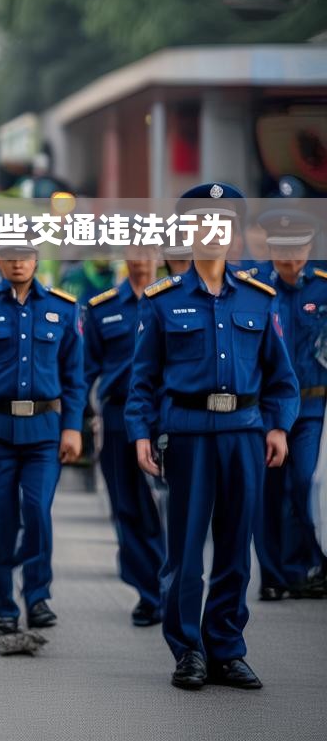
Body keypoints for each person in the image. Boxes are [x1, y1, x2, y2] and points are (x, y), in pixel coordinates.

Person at [125, 183, 299, 691]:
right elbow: (144, 379)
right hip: (188, 436)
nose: (211, 231)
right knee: (183, 550)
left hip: (244, 435)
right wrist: (140, 434)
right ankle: (188, 651)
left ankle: (225, 648)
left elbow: (281, 378)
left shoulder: (258, 299)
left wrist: (279, 427)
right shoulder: (162, 301)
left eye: (221, 223)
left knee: (233, 547)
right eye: (201, 223)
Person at [0, 244, 85, 638]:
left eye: (24, 255)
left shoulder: (64, 308)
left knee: (37, 511)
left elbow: (75, 377)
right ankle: (2, 604)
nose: (17, 263)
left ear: (37, 259)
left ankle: (38, 595)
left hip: (44, 431)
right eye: (8, 256)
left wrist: (73, 427)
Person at [83, 247, 164, 627]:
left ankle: (173, 587)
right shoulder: (103, 308)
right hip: (118, 415)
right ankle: (149, 594)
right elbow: (83, 370)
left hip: (167, 415)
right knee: (128, 507)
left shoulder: (173, 298)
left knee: (172, 510)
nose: (142, 258)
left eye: (148, 250)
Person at [253, 209, 327, 599]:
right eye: (282, 246)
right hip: (265, 410)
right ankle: (272, 577)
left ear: (310, 246)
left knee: (302, 483)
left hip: (311, 410)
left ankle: (303, 566)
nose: (290, 254)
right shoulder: (254, 291)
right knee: (267, 491)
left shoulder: (323, 288)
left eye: (298, 245)